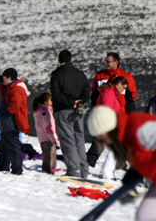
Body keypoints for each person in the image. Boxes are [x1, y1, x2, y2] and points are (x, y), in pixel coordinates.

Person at [87, 52, 137, 167]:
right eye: (106, 61)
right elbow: (94, 95)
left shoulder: (127, 77)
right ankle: (89, 162)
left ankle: (120, 165)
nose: (106, 63)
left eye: (108, 61)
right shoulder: (99, 76)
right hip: (104, 115)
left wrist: (129, 114)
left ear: (116, 62)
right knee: (100, 140)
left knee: (118, 142)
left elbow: (131, 98)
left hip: (121, 115)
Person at [50, 50, 90, 178]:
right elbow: (86, 91)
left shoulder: (56, 74)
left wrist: (70, 102)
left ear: (59, 61)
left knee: (67, 140)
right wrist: (80, 102)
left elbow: (56, 95)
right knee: (79, 139)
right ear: (71, 60)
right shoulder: (80, 74)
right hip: (79, 111)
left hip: (64, 110)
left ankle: (74, 170)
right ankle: (84, 170)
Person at [0, 68, 30, 175]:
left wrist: (7, 112)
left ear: (10, 78)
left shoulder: (16, 89)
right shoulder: (10, 88)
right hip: (6, 123)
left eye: (4, 78)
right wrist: (1, 85)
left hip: (11, 123)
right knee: (5, 146)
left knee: (13, 146)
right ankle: (3, 166)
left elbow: (16, 104)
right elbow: (4, 96)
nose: (3, 79)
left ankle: (17, 169)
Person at [94, 76, 125, 180]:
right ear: (119, 84)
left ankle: (106, 173)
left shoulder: (112, 92)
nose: (123, 90)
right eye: (123, 87)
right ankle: (107, 173)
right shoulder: (108, 92)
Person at [32, 92, 60, 174]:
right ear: (46, 102)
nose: (52, 102)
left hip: (43, 136)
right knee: (49, 152)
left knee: (50, 152)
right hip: (47, 137)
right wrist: (53, 138)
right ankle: (48, 168)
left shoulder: (41, 111)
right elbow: (48, 127)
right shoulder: (45, 113)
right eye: (50, 100)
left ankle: (52, 166)